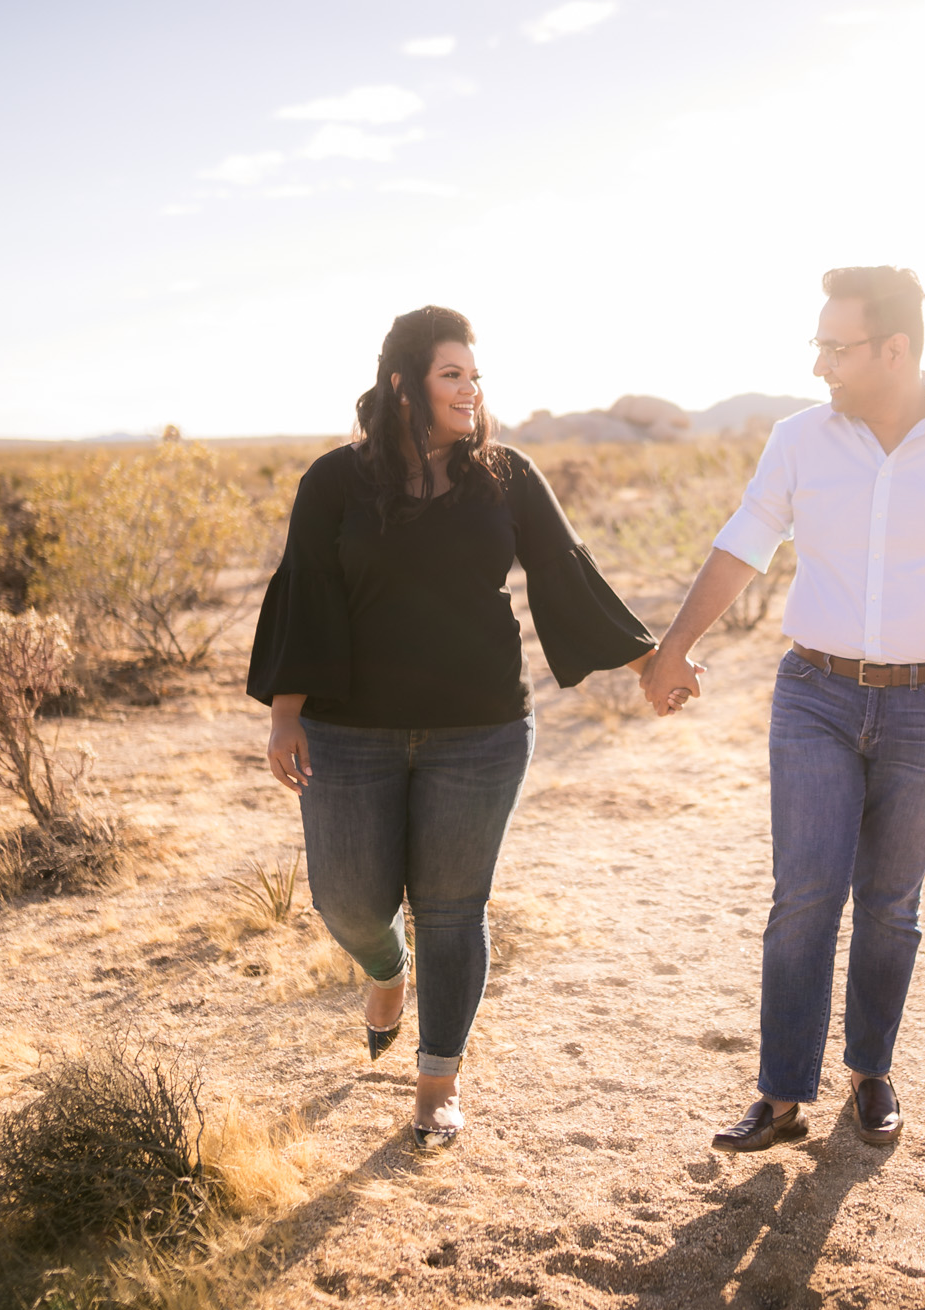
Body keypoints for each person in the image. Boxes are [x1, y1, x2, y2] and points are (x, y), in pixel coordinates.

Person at [642, 267, 925, 1151]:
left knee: (890, 903)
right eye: (818, 344)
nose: (821, 362)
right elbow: (744, 540)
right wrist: (674, 645)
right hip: (816, 697)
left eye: (837, 346)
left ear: (895, 350)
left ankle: (871, 1073)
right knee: (804, 898)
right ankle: (781, 1096)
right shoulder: (800, 438)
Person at [248, 305, 662, 1150]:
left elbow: (564, 571)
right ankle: (383, 967)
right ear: (404, 383)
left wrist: (649, 662)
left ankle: (437, 1080)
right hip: (350, 732)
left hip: (480, 732)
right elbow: (305, 590)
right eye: (451, 374)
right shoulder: (335, 481)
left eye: (474, 375)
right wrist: (286, 714)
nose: (470, 389)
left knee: (451, 906)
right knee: (350, 901)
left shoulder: (504, 475)